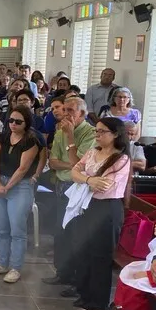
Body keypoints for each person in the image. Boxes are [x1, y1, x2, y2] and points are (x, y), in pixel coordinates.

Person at [68, 117, 131, 310]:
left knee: (101, 255)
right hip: (88, 205)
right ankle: (84, 293)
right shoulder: (92, 152)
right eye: (96, 131)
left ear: (115, 134)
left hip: (108, 209)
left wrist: (85, 180)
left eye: (102, 132)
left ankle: (98, 300)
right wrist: (88, 180)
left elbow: (103, 185)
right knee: (84, 250)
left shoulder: (121, 158)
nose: (97, 135)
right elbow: (74, 171)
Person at [42, 97, 95, 291]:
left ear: (82, 114)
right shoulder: (60, 131)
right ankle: (62, 272)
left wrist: (71, 137)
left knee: (76, 234)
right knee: (61, 232)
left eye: (70, 111)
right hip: (61, 186)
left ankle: (76, 279)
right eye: (64, 110)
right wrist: (71, 165)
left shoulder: (90, 133)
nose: (65, 114)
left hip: (79, 189)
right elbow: (53, 161)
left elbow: (80, 164)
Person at [0, 106, 41, 283]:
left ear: (26, 123)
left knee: (17, 229)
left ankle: (15, 267)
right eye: (11, 120)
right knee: (0, 227)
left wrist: (6, 187)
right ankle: (2, 263)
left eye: (18, 122)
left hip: (20, 186)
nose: (13, 124)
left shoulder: (31, 141)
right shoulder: (2, 137)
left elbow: (23, 168)